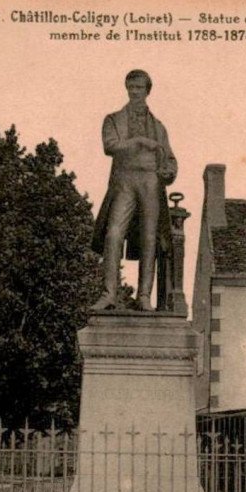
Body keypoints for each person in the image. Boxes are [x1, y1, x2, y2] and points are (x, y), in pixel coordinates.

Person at [91, 70, 177, 311]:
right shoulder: (113, 119)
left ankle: (144, 296)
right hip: (124, 180)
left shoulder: (159, 127)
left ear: (147, 91)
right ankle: (109, 294)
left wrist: (169, 171)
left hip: (151, 181)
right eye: (130, 87)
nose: (134, 92)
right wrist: (139, 141)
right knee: (113, 233)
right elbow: (110, 146)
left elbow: (170, 158)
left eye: (139, 88)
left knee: (150, 238)